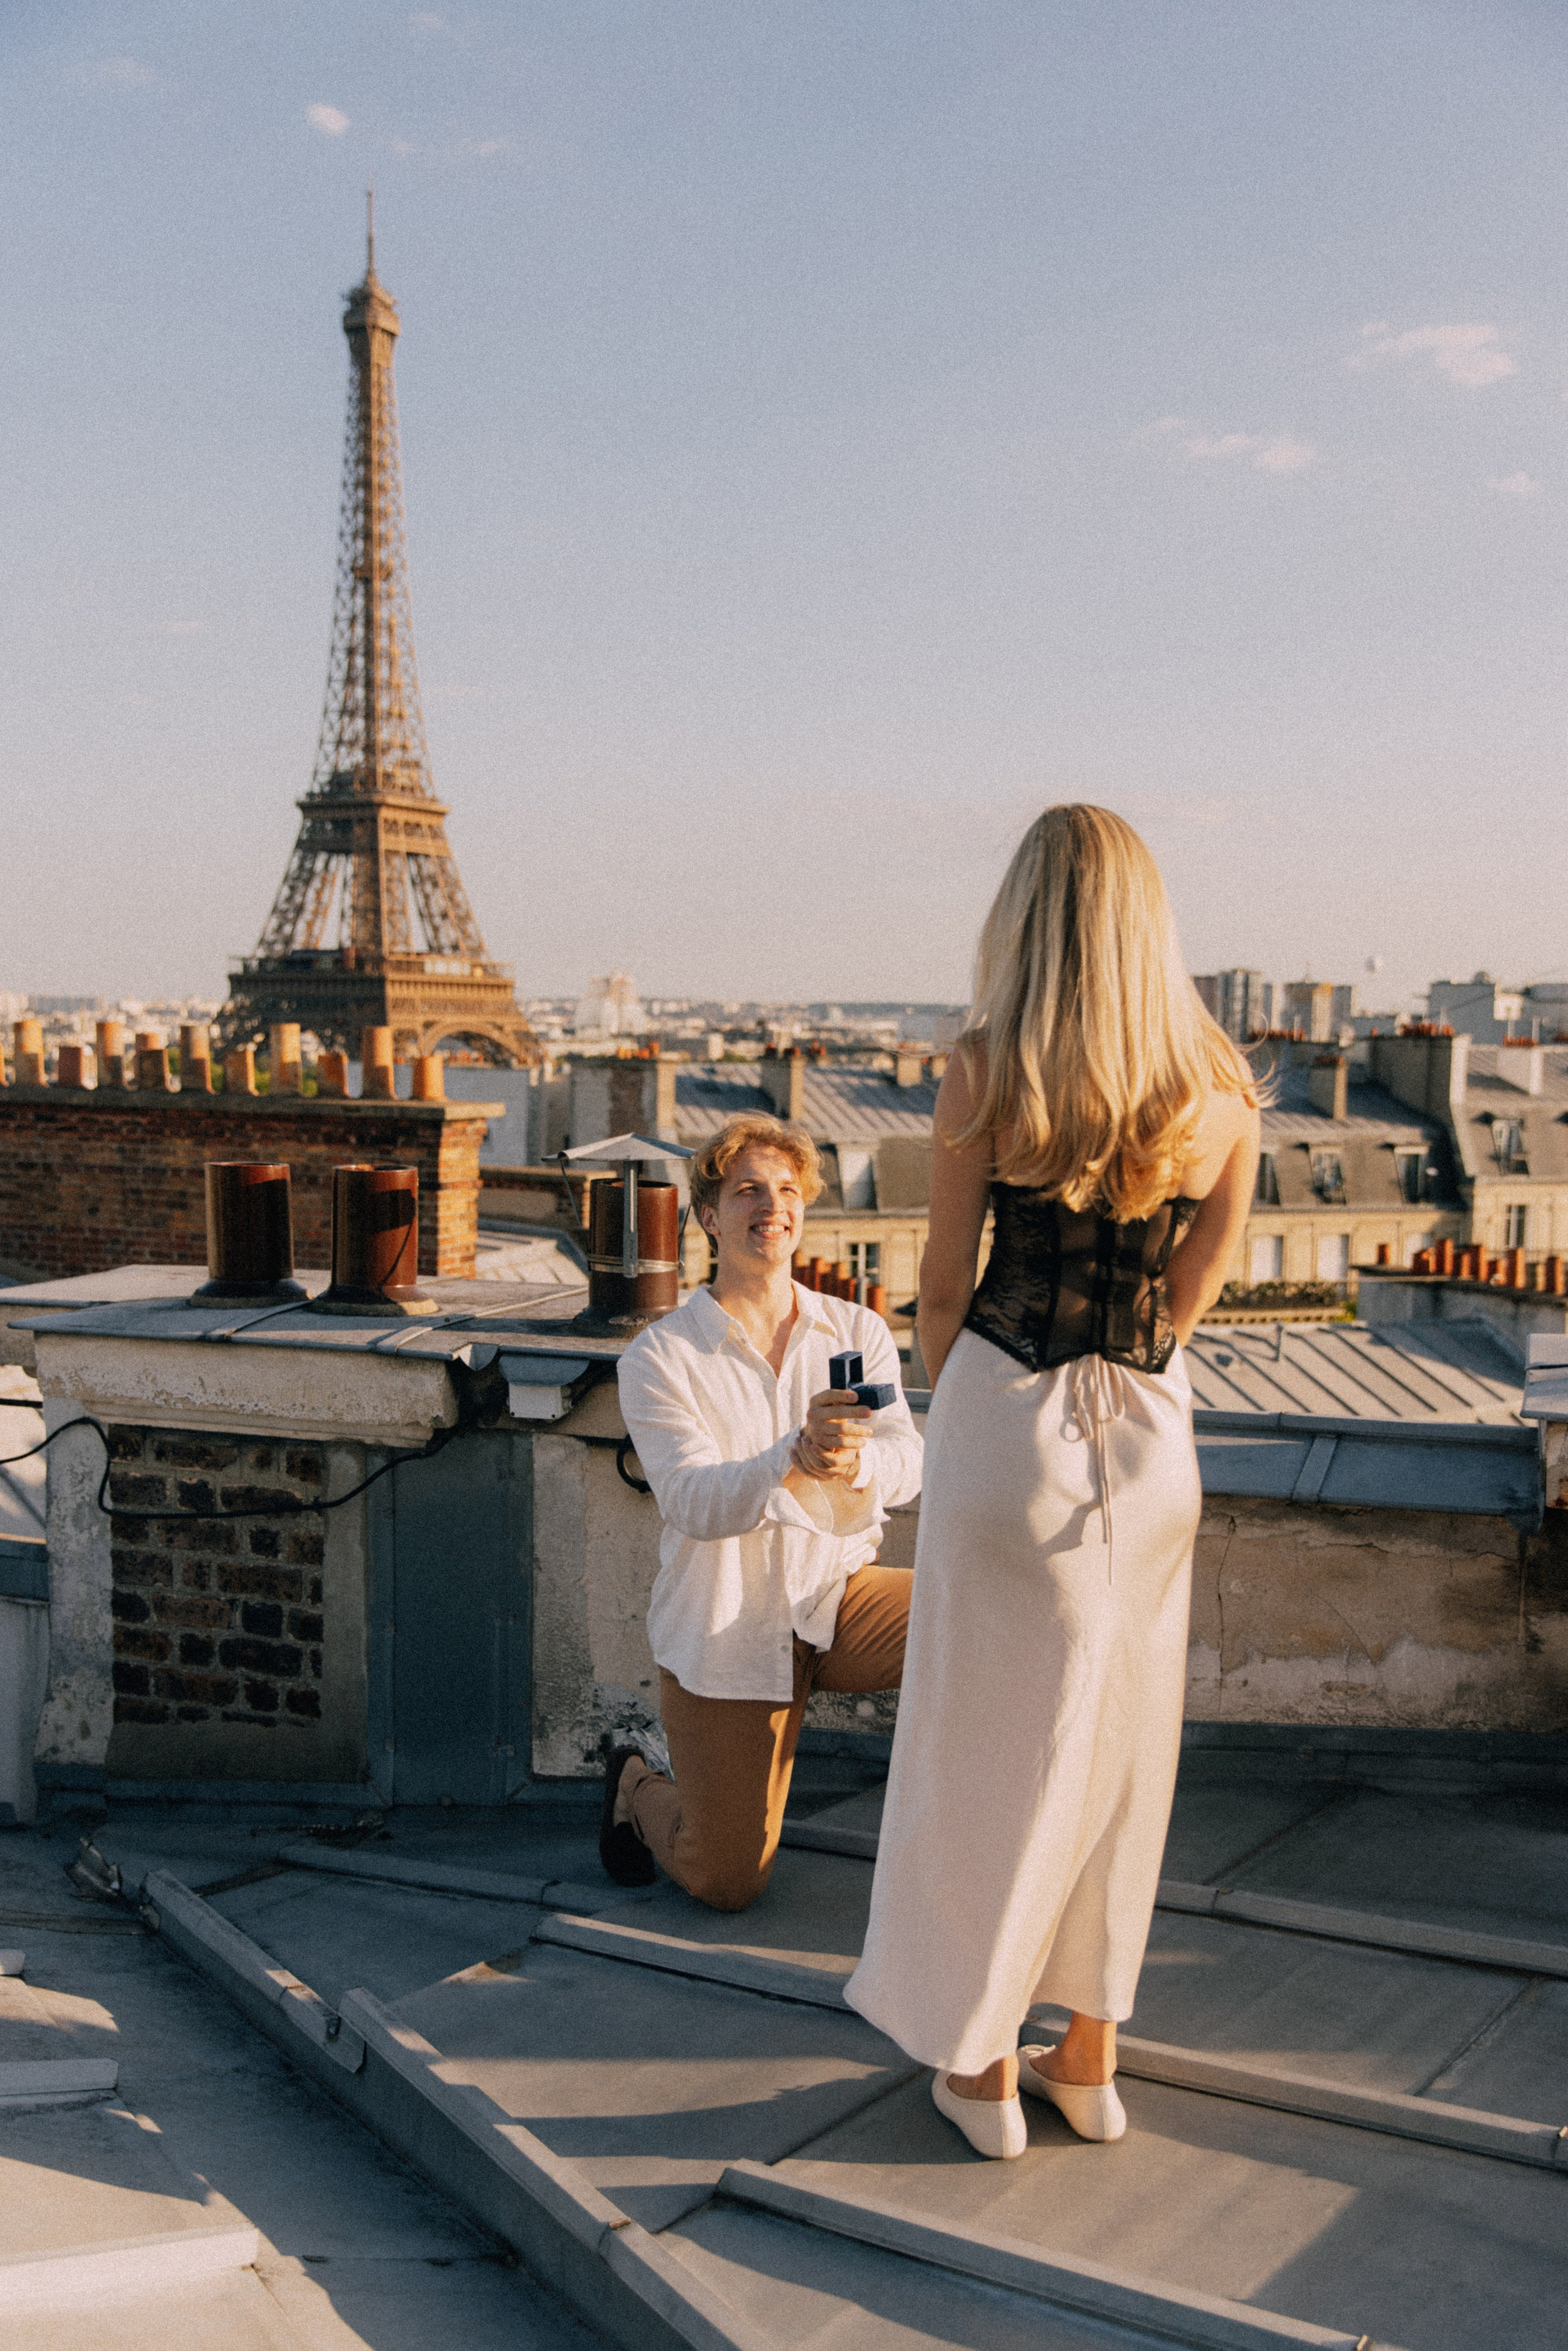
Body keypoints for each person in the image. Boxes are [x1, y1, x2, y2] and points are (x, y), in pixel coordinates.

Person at [844, 805, 1261, 2159]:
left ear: (1027, 918)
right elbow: (1191, 1291)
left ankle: (977, 2062)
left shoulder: (981, 1071)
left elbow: (946, 1287)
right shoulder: (1219, 1089)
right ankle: (1089, 2053)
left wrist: (982, 1401)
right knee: (1121, 1752)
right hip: (1146, 1435)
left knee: (981, 1753)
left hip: (1007, 1414)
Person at [605, 1112, 923, 1912]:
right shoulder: (661, 1356)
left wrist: (856, 1460)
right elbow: (692, 1500)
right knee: (726, 1879)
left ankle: (961, 1853)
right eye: (747, 1189)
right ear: (708, 1216)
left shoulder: (855, 1332)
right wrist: (795, 1452)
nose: (771, 1205)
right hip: (728, 1630)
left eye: (786, 1190)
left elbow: (908, 1464)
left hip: (836, 1603)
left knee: (982, 1612)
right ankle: (637, 1788)